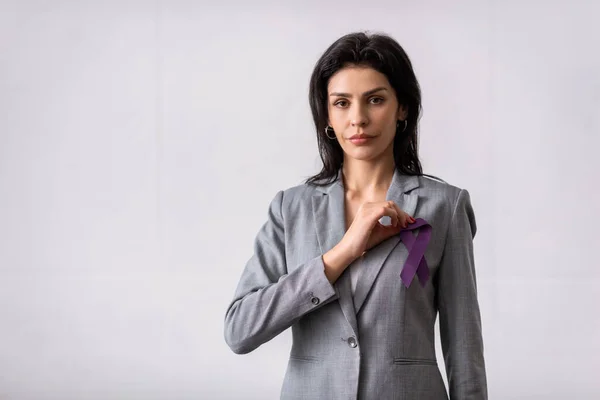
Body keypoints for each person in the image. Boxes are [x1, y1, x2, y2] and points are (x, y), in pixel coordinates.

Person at [224, 31, 487, 400]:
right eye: (342, 103)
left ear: (403, 108)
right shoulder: (291, 208)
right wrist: (340, 254)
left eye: (375, 100)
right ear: (327, 115)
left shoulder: (445, 206)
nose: (358, 119)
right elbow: (239, 331)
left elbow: (465, 346)